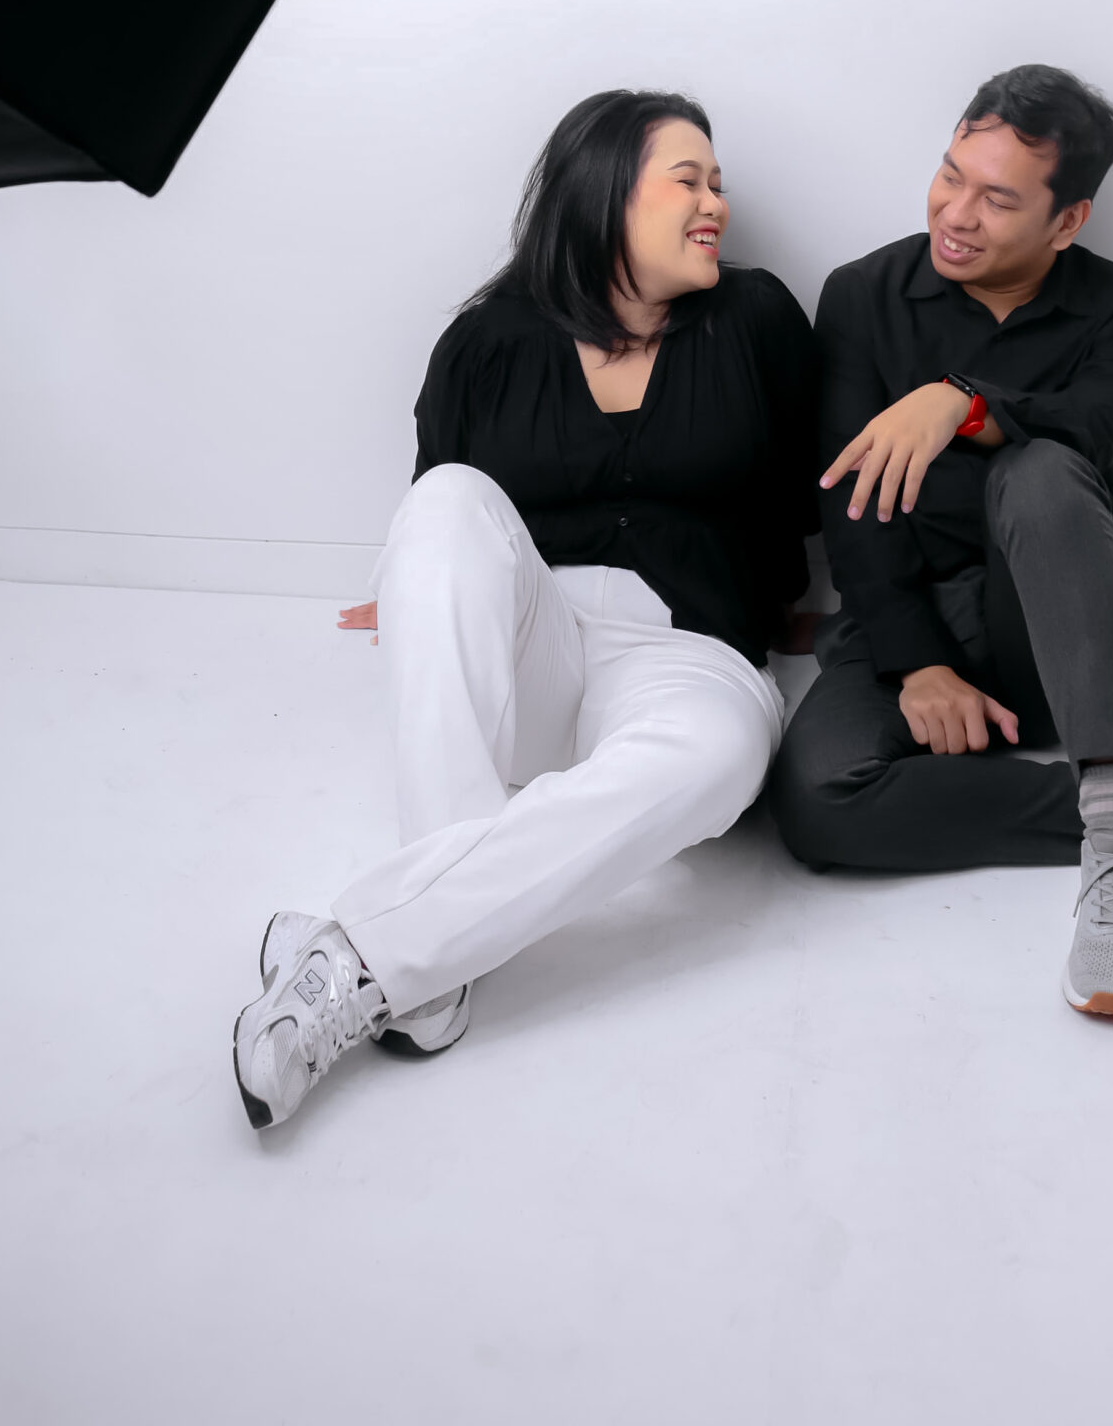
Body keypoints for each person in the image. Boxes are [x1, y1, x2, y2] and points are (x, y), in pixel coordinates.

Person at [233, 88, 819, 1127]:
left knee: (727, 750)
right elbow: (445, 524)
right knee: (445, 498)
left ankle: (382, 960)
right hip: (530, 650)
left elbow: (803, 496)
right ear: (605, 194)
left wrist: (800, 612)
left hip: (685, 654)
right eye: (687, 180)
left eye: (718, 184)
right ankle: (426, 959)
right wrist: (415, 589)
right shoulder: (485, 342)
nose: (715, 204)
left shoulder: (756, 318)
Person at [770, 64, 1113, 1020]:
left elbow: (1091, 432)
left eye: (997, 199)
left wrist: (964, 403)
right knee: (819, 803)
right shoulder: (862, 294)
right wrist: (918, 668)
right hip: (903, 622)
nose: (956, 214)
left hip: (1057, 621)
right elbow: (850, 502)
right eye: (951, 175)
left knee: (1042, 468)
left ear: (1068, 222)